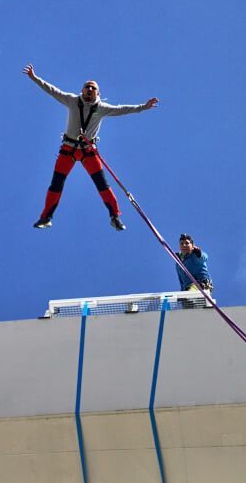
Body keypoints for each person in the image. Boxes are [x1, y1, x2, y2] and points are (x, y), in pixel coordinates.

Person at [25, 65, 159, 230]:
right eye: (87, 87)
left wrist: (143, 107)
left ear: (98, 93)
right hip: (68, 150)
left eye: (93, 88)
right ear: (82, 90)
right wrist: (34, 78)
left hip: (88, 152)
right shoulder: (72, 100)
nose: (89, 89)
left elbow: (123, 109)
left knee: (103, 185)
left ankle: (115, 216)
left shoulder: (101, 108)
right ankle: (45, 217)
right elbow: (52, 90)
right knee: (56, 184)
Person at [175, 233, 212, 307]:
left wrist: (199, 253)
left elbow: (204, 258)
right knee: (186, 305)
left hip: (200, 285)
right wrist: (181, 293)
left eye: (187, 243)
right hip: (187, 289)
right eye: (182, 244)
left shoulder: (194, 255)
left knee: (189, 296)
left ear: (192, 246)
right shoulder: (179, 263)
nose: (184, 245)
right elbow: (182, 281)